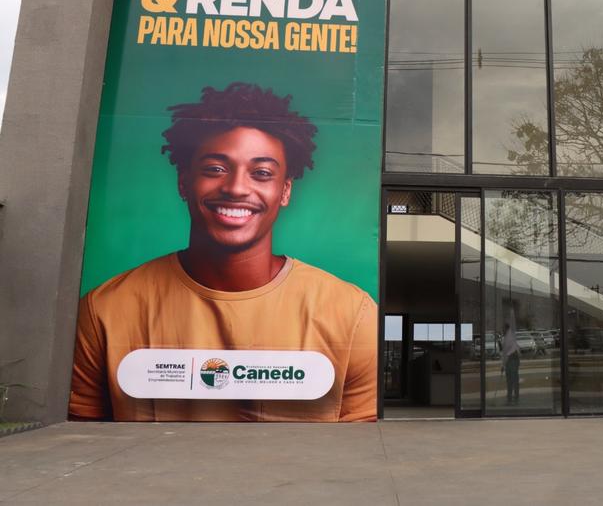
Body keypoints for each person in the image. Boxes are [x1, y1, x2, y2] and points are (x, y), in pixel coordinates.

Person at [69, 83, 377, 422]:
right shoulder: (105, 310)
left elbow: (362, 446)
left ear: (285, 191)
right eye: (215, 169)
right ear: (184, 182)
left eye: (261, 173)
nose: (236, 188)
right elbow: (80, 439)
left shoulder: (352, 315)